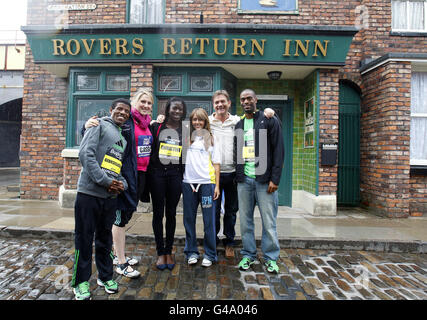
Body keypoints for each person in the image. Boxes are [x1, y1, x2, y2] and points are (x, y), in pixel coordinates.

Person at [84, 88, 157, 279]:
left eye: (149, 103)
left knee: (125, 215)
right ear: (134, 102)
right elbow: (104, 129)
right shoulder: (127, 121)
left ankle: (117, 254)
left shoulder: (147, 123)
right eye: (143, 102)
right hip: (124, 175)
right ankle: (121, 262)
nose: (146, 106)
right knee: (120, 217)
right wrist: (87, 126)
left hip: (140, 176)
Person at [72, 98, 131, 300]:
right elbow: (85, 154)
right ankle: (80, 282)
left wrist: (122, 183)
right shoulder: (98, 125)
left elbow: (116, 167)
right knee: (84, 239)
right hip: (88, 194)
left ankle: (105, 277)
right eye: (119, 109)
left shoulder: (123, 139)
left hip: (110, 197)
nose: (123, 113)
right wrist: (105, 181)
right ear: (111, 110)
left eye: (126, 111)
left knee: (105, 239)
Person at [209, 90, 275, 259]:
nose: (220, 105)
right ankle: (213, 242)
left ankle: (229, 243)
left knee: (231, 212)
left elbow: (256, 117)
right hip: (212, 175)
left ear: (229, 103)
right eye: (217, 102)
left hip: (233, 174)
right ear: (213, 104)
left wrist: (268, 111)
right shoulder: (208, 122)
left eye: (223, 101)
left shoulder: (237, 121)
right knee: (213, 212)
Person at [234, 89, 284, 274]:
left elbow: (279, 150)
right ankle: (248, 254)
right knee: (245, 222)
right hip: (244, 181)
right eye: (243, 99)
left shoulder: (269, 119)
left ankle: (271, 258)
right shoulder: (239, 124)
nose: (246, 101)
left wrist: (275, 179)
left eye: (249, 98)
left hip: (265, 182)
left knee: (268, 222)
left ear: (256, 100)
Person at [149, 97, 187, 270]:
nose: (177, 111)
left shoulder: (186, 129)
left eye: (180, 109)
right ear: (168, 110)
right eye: (174, 108)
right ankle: (160, 252)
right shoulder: (156, 126)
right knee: (158, 214)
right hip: (157, 175)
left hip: (175, 176)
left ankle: (169, 251)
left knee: (171, 214)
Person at [182, 108, 221, 267]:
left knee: (209, 221)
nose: (197, 123)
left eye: (201, 120)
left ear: (205, 122)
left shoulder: (211, 139)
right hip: (189, 184)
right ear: (191, 121)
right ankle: (191, 252)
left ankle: (210, 254)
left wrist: (217, 185)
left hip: (206, 184)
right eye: (194, 120)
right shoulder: (187, 138)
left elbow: (216, 164)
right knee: (189, 220)